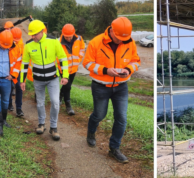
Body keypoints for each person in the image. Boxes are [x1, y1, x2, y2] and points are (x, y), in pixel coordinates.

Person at [83, 16, 140, 163]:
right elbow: (87, 63)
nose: (121, 40)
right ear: (112, 31)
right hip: (100, 87)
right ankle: (91, 133)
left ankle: (114, 148)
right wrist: (105, 70)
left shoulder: (130, 42)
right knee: (99, 115)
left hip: (121, 87)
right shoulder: (96, 42)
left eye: (124, 38)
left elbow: (136, 61)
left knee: (121, 118)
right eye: (119, 37)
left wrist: (128, 69)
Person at [20, 20, 69, 141]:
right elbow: (24, 64)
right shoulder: (29, 45)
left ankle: (53, 127)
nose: (33, 36)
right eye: (31, 34)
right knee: (40, 102)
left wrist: (65, 75)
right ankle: (41, 124)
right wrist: (22, 80)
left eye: (35, 34)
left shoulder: (53, 41)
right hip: (38, 80)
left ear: (42, 31)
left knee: (55, 101)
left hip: (52, 78)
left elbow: (63, 58)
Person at [58, 24, 85, 115]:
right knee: (68, 86)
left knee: (67, 86)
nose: (68, 39)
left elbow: (82, 49)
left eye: (70, 37)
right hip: (63, 69)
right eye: (66, 37)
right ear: (63, 34)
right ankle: (68, 106)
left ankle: (60, 95)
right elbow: (56, 57)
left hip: (74, 68)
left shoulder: (79, 39)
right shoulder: (58, 42)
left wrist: (79, 59)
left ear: (74, 33)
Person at [0, 30, 21, 136]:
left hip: (7, 80)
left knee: (5, 101)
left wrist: (13, 75)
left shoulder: (15, 48)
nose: (5, 47)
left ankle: (4, 120)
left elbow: (18, 62)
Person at [8, 27, 24, 117]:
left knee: (18, 87)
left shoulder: (21, 44)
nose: (16, 41)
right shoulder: (6, 43)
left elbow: (19, 60)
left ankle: (19, 109)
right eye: (15, 40)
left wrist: (14, 74)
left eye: (18, 40)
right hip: (7, 70)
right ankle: (9, 104)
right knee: (8, 88)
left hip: (16, 70)